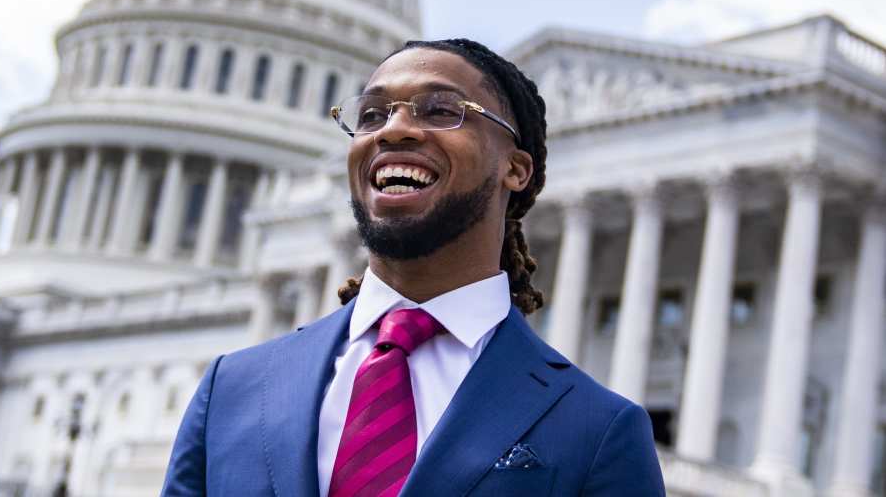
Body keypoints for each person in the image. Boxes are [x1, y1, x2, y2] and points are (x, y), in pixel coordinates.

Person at [161, 39, 666, 496]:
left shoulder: (597, 428)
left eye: (442, 110)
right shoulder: (232, 388)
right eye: (373, 114)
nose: (395, 129)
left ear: (515, 168)